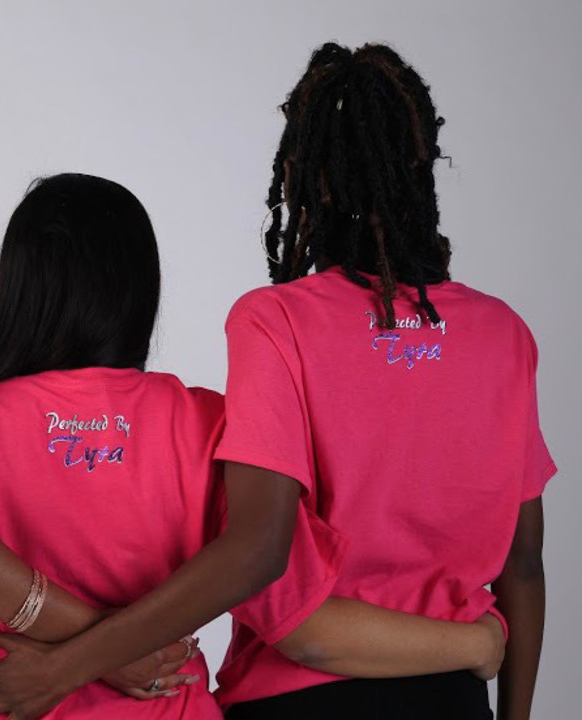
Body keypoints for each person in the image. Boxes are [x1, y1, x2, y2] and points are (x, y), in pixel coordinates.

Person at [0, 172, 498, 720]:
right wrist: (477, 641)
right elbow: (306, 625)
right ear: (138, 290)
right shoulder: (211, 429)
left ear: (20, 290)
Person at [214, 43, 554, 720]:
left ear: (314, 179)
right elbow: (523, 566)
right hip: (454, 695)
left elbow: (260, 559)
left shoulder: (275, 321)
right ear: (420, 166)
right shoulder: (503, 334)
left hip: (296, 700)